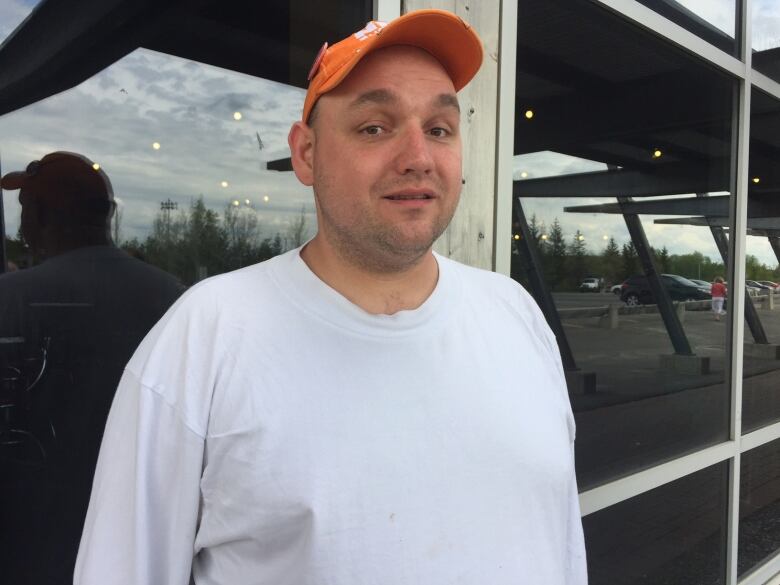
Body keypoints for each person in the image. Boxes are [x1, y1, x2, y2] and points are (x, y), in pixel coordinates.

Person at [75, 10, 587, 585]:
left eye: (439, 129)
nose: (418, 156)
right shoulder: (206, 336)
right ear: (306, 154)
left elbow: (562, 546)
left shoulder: (515, 315)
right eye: (375, 126)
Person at [0, 152, 184, 584]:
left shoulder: (11, 300)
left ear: (42, 216)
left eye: (24, 211)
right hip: (141, 549)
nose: (21, 228)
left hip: (30, 547)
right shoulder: (173, 298)